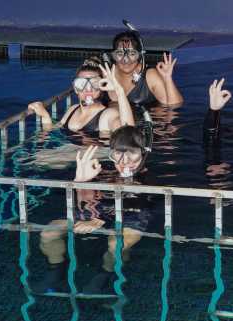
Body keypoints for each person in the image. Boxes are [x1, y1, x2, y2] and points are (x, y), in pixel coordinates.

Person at [33, 126, 153, 294]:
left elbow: (138, 202)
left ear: (143, 152)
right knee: (49, 233)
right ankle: (56, 269)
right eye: (118, 153)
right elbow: (82, 203)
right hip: (97, 209)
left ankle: (104, 275)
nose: (125, 162)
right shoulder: (101, 169)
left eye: (132, 153)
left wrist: (100, 219)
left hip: (133, 212)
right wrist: (81, 182)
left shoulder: (151, 174)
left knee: (117, 245)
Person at [28, 57, 135, 136]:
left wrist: (120, 92)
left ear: (102, 87)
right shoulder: (72, 110)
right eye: (81, 83)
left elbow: (129, 135)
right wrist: (45, 115)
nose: (88, 89)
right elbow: (51, 132)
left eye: (94, 83)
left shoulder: (107, 115)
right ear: (75, 88)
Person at [106, 21, 183, 107]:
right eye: (120, 54)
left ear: (139, 56)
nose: (126, 59)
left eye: (132, 54)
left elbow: (174, 107)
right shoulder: (105, 73)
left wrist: (167, 79)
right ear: (113, 56)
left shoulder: (150, 76)